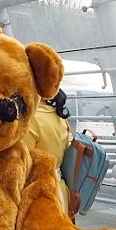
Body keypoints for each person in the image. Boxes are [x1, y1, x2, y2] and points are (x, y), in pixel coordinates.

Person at [23, 88, 73, 217]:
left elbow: (23, 163)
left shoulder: (31, 120)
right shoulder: (60, 117)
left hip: (39, 196)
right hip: (60, 190)